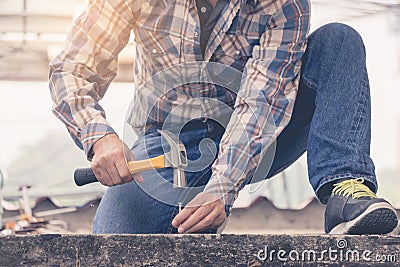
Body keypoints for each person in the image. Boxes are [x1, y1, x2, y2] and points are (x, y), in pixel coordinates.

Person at [49, 0, 398, 235]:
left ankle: (344, 186)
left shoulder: (282, 5)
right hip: (167, 145)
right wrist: (98, 136)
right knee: (111, 242)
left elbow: (262, 103)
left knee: (338, 42)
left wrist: (222, 188)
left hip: (258, 134)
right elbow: (73, 67)